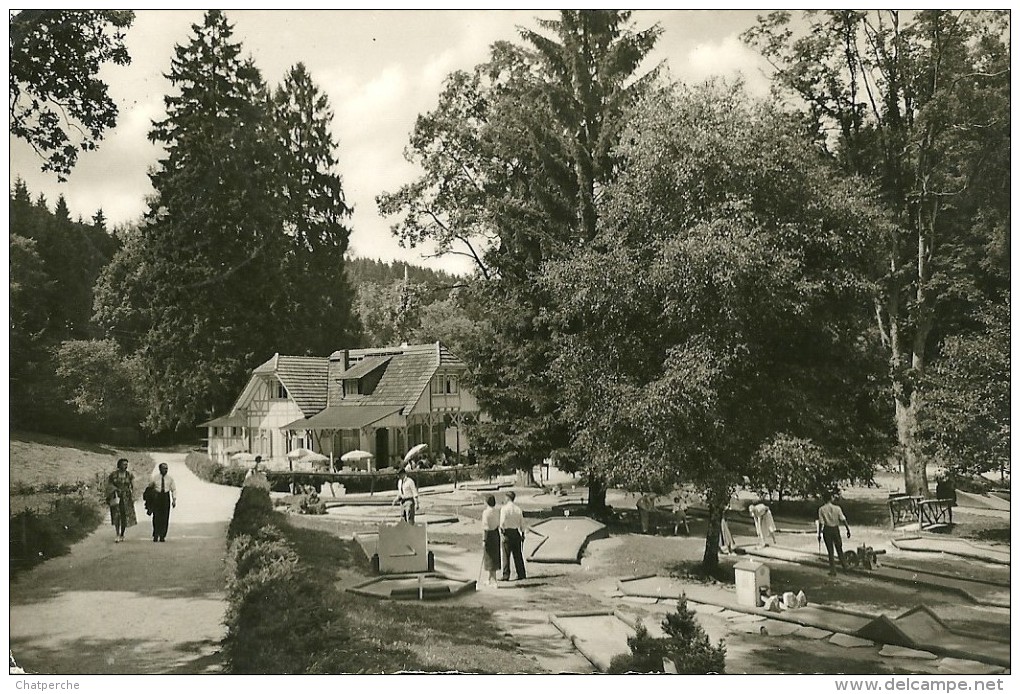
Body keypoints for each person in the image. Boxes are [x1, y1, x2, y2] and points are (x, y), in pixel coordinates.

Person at [817, 492, 851, 575]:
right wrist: (848, 529)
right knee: (839, 548)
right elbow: (843, 519)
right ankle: (845, 567)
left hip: (827, 530)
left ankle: (833, 570)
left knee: (830, 551)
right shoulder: (837, 508)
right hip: (836, 529)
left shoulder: (821, 509)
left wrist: (819, 533)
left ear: (824, 499)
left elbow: (821, 522)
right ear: (831, 499)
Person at [106, 458, 137, 543]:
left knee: (124, 515)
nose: (125, 466)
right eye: (124, 464)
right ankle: (117, 533)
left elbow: (133, 486)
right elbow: (109, 484)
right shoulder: (114, 475)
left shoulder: (129, 475)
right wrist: (115, 489)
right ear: (119, 465)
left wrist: (133, 495)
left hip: (126, 497)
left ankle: (122, 534)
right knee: (116, 515)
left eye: (126, 464)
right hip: (116, 496)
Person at [499, 491, 527, 581]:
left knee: (506, 555)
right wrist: (523, 534)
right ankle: (521, 573)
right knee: (518, 554)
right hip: (516, 532)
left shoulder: (504, 509)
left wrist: (502, 532)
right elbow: (522, 523)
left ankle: (506, 575)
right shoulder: (518, 509)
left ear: (507, 498)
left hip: (507, 532)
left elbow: (502, 522)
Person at [150, 462, 178, 542]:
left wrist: (174, 500)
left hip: (166, 497)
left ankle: (162, 535)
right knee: (156, 516)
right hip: (157, 497)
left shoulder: (170, 478)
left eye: (166, 468)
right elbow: (150, 487)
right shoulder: (155, 478)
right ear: (160, 469)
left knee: (165, 517)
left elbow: (173, 489)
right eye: (164, 468)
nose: (165, 470)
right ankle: (156, 534)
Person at [480, 494, 501, 588]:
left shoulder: (486, 512)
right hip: (496, 533)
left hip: (488, 533)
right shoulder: (497, 511)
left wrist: (484, 539)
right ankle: (490, 578)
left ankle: (494, 580)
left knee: (489, 556)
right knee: (494, 555)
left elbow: (485, 526)